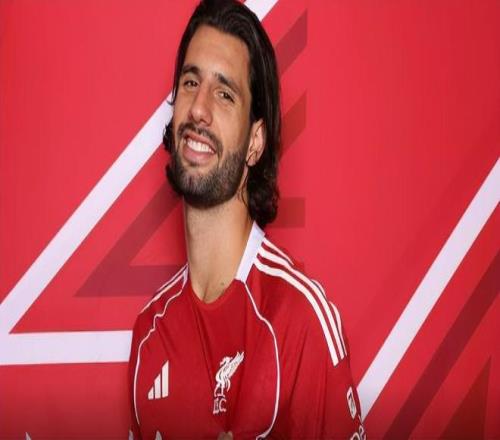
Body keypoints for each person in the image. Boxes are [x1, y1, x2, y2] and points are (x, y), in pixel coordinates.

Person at [128, 0, 366, 438]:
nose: (199, 109)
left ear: (255, 142)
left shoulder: (300, 319)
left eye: (224, 94)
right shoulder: (149, 332)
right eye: (190, 82)